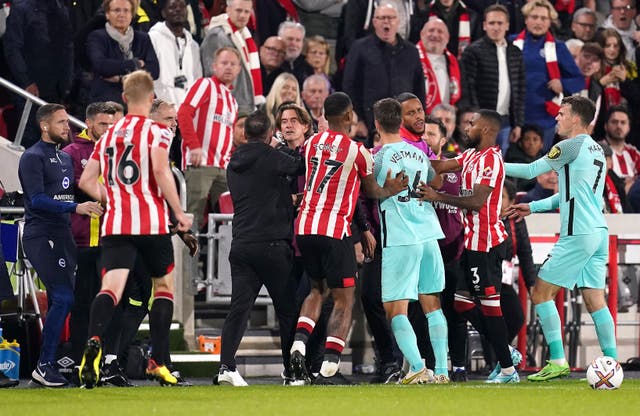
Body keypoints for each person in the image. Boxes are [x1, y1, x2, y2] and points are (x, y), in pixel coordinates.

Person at [77, 70, 192, 389]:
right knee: (163, 287)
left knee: (111, 289)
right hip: (150, 221)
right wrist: (180, 212)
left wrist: (111, 196)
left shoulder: (109, 135)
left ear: (125, 98)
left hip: (115, 223)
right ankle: (159, 361)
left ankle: (94, 342)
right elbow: (160, 170)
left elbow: (86, 181)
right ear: (151, 97)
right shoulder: (157, 132)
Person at [289, 92, 408, 385]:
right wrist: (391, 187)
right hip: (334, 230)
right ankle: (330, 366)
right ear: (346, 116)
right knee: (345, 299)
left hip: (305, 227)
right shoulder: (357, 151)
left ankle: (299, 343)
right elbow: (371, 190)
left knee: (316, 291)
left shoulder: (310, 144)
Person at [504, 95, 618, 381]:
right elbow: (573, 193)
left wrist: (490, 164)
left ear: (576, 119)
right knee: (595, 299)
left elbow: (531, 170)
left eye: (562, 113)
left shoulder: (570, 145)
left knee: (540, 293)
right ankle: (612, 364)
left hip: (578, 232)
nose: (556, 118)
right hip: (598, 232)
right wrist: (534, 206)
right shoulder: (595, 149)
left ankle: (556, 359)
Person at [419, 109, 521, 384]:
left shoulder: (491, 160)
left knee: (490, 307)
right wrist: (412, 156)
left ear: (486, 130)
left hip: (486, 245)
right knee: (462, 304)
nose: (466, 127)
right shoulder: (471, 155)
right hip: (471, 243)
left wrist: (435, 196)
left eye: (472, 124)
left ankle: (509, 371)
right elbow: (441, 166)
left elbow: (476, 202)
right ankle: (505, 352)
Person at [214, 110, 305, 387]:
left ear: (245, 134)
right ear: (268, 134)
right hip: (273, 245)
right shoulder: (270, 155)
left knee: (239, 309)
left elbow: (262, 188)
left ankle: (226, 366)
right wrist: (278, 146)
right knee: (287, 310)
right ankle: (291, 372)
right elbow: (300, 165)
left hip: (241, 244)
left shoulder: (233, 162)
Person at [18, 104, 104, 387]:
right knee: (64, 297)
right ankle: (44, 365)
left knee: (65, 299)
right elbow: (36, 200)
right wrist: (77, 207)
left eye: (67, 121)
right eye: (61, 122)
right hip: (41, 234)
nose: (68, 126)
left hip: (63, 234)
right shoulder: (32, 157)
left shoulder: (64, 158)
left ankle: (48, 365)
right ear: (44, 126)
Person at [372, 98, 449, 384]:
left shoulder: (378, 157)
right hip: (429, 233)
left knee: (395, 308)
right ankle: (441, 370)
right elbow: (435, 181)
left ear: (378, 123)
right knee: (432, 303)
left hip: (401, 236)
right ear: (400, 121)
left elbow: (370, 189)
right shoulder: (418, 153)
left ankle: (416, 367)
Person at [62, 102, 118, 371]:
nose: (108, 129)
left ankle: (105, 362)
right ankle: (76, 359)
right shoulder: (72, 152)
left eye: (112, 124)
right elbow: (74, 188)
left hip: (111, 239)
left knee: (107, 302)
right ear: (88, 123)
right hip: (81, 240)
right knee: (81, 303)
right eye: (102, 124)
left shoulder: (118, 151)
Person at [177, 47, 240, 229]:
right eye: (224, 63)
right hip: (200, 164)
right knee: (192, 217)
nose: (228, 67)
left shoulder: (233, 101)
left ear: (238, 69)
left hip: (223, 167)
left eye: (233, 64)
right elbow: (183, 114)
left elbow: (228, 136)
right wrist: (194, 145)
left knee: (227, 220)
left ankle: (220, 258)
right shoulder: (205, 85)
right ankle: (189, 258)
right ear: (214, 66)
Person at [342, 2, 425, 138]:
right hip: (370, 123)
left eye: (391, 18)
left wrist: (420, 119)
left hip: (404, 124)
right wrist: (358, 120)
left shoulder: (411, 51)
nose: (386, 22)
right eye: (382, 18)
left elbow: (419, 89)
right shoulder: (359, 48)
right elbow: (349, 86)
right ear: (374, 22)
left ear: (398, 21)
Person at [511, 0, 584, 151]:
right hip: (515, 118)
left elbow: (579, 80)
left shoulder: (558, 47)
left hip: (544, 119)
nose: (538, 22)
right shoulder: (511, 43)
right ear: (526, 19)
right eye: (534, 17)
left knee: (542, 168)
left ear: (550, 21)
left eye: (543, 18)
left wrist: (562, 84)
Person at [3, 0, 74, 148]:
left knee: (52, 139)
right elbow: (12, 48)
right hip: (26, 88)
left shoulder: (62, 10)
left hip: (55, 89)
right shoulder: (21, 8)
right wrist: (26, 82)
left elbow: (67, 50)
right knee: (29, 136)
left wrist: (66, 87)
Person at [460, 4, 525, 154]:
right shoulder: (473, 51)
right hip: (482, 122)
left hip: (507, 122)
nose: (496, 27)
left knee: (499, 166)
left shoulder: (515, 52)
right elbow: (468, 87)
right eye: (491, 23)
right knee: (479, 163)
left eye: (500, 23)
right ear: (484, 25)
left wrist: (518, 124)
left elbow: (521, 89)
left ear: (507, 25)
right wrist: (476, 120)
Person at [86, 0, 160, 104]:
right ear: (107, 14)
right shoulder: (97, 37)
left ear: (132, 14)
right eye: (116, 10)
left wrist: (121, 78)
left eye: (126, 11)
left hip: (140, 98)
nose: (122, 14)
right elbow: (101, 66)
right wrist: (135, 64)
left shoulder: (143, 38)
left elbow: (154, 70)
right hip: (106, 100)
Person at [201, 0, 263, 114]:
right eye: (238, 10)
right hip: (227, 109)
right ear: (227, 10)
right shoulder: (217, 36)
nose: (243, 15)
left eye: (246, 12)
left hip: (243, 107)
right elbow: (213, 75)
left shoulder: (244, 35)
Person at [148, 0, 202, 106]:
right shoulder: (152, 38)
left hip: (187, 109)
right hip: (160, 108)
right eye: (173, 7)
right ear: (164, 13)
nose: (178, 10)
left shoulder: (193, 45)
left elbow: (197, 79)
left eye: (182, 6)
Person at [416, 17, 462, 115]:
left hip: (446, 121)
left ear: (447, 38)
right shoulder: (411, 56)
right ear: (422, 34)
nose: (435, 35)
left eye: (440, 32)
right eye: (431, 30)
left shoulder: (454, 62)